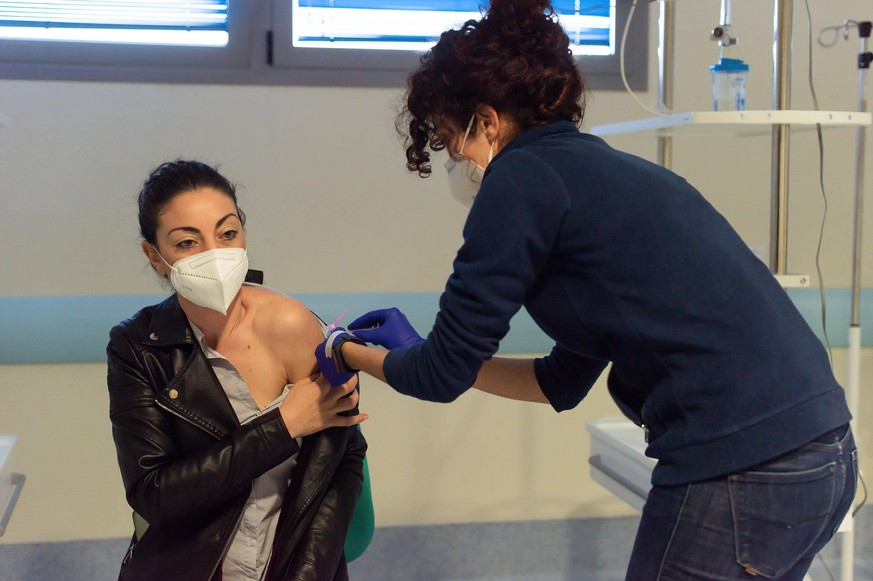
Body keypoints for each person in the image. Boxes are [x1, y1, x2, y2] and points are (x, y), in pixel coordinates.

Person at [319, 1, 858, 578]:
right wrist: (432, 355)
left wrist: (342, 349)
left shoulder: (520, 179)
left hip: (744, 461)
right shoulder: (598, 178)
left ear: (487, 120)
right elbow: (559, 382)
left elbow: (438, 378)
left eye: (453, 141)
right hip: (822, 452)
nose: (456, 159)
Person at [107, 160, 367, 581]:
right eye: (187, 243)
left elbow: (343, 456)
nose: (215, 254)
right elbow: (152, 494)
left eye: (227, 234)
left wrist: (307, 570)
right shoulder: (137, 346)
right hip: (190, 564)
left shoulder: (291, 324)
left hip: (288, 561)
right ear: (154, 257)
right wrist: (284, 424)